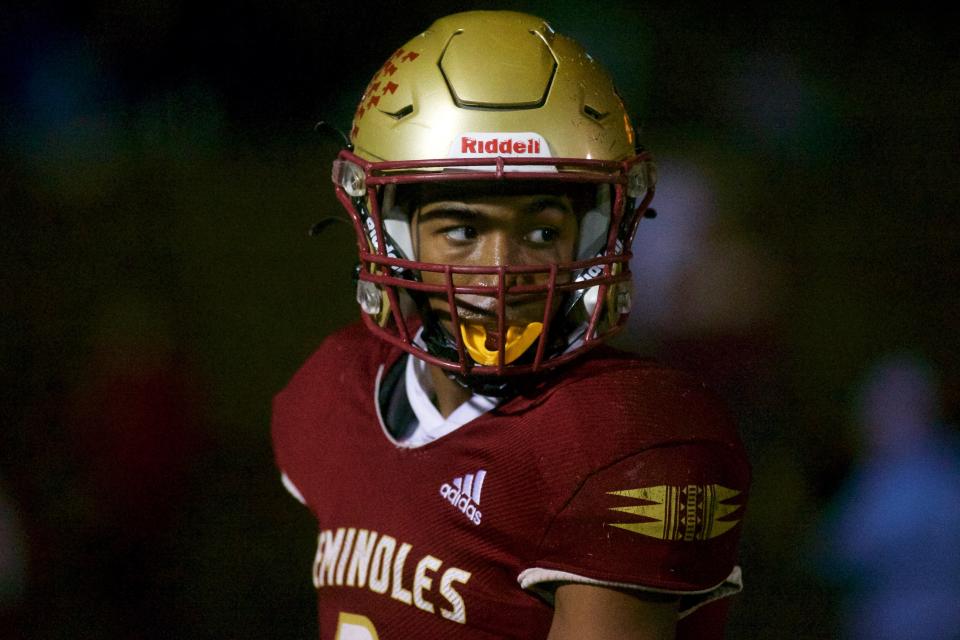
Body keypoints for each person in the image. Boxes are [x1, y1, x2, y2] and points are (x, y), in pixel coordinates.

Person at [273, 11, 750, 639]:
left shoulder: (628, 440)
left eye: (541, 231)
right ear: (389, 231)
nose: (501, 271)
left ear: (595, 234)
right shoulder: (332, 391)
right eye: (463, 230)